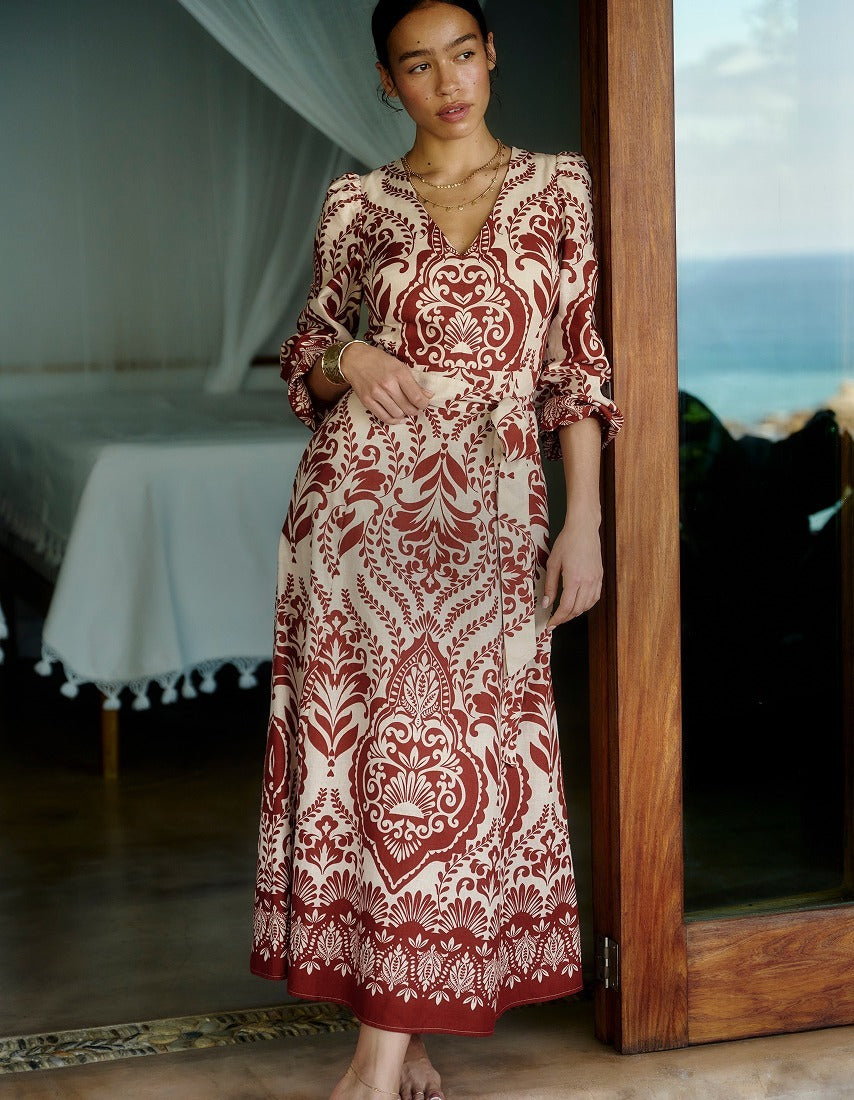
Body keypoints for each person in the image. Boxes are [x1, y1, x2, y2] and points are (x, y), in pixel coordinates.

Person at [250, 2, 622, 1097]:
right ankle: (383, 1051)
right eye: (418, 65)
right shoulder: (354, 202)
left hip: (495, 516)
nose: (447, 81)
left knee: (455, 769)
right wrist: (353, 357)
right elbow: (305, 356)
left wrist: (584, 522)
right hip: (360, 513)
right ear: (385, 82)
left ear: (491, 56)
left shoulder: (563, 188)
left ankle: (391, 1041)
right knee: (381, 771)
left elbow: (577, 374)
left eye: (463, 54)